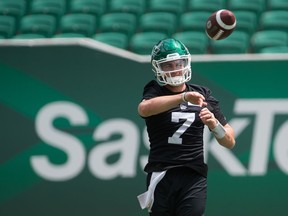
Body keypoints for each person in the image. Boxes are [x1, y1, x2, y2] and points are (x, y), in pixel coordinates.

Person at [137, 38, 236, 216]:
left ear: (186, 63)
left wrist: (214, 125)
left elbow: (229, 141)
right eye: (168, 65)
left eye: (178, 63)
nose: (175, 69)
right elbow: (144, 109)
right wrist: (183, 97)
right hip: (161, 174)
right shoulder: (155, 91)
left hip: (193, 174)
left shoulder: (203, 93)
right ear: (158, 68)